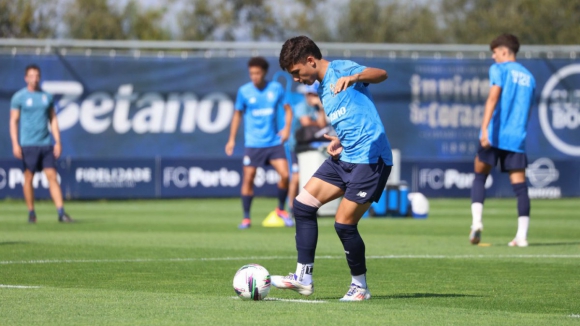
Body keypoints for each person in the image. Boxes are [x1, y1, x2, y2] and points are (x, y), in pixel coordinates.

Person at [271, 36, 393, 301]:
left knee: (344, 224)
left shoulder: (341, 69)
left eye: (296, 72)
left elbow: (381, 74)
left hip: (371, 160)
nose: (295, 78)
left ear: (310, 60)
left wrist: (356, 76)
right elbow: (353, 116)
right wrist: (340, 139)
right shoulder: (322, 88)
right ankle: (303, 277)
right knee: (302, 205)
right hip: (346, 156)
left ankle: (360, 287)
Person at [469, 34, 536, 247]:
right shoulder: (530, 77)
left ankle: (476, 223)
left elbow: (493, 98)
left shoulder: (499, 69)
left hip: (495, 133)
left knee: (480, 175)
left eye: (495, 51)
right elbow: (527, 111)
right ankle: (522, 236)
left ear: (505, 51)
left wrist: (484, 130)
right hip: (517, 137)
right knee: (520, 186)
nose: (493, 56)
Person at [225, 57, 294, 229]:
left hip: (273, 143)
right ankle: (246, 218)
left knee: (285, 175)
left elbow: (288, 110)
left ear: (264, 72)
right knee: (248, 179)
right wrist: (231, 139)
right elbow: (237, 115)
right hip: (253, 144)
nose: (254, 76)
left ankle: (280, 209)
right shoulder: (244, 91)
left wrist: (286, 129)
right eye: (251, 73)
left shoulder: (276, 88)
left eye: (257, 73)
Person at [9, 64, 73, 223]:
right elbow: (13, 121)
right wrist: (15, 143)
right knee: (29, 177)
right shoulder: (19, 97)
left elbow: (53, 119)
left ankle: (61, 212)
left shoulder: (46, 96)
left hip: (45, 143)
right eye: (31, 76)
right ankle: (31, 212)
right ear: (26, 78)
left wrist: (58, 141)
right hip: (28, 144)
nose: (35, 78)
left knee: (52, 176)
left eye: (37, 75)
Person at [287, 81, 328, 217]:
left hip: (308, 147)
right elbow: (307, 123)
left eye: (314, 94)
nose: (312, 97)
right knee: (296, 176)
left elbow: (322, 125)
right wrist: (317, 122)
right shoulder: (301, 106)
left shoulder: (317, 108)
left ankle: (308, 206)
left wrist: (321, 108)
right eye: (309, 94)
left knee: (309, 176)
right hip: (296, 146)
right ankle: (291, 207)